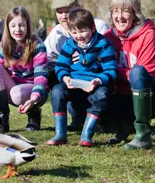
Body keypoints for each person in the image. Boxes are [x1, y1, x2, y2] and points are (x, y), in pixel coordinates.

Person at [104, 0, 155, 149]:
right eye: (115, 11)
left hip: (152, 98)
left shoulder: (148, 35)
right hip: (121, 96)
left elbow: (146, 72)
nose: (119, 16)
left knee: (137, 71)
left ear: (135, 13)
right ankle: (123, 126)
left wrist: (115, 70)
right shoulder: (107, 37)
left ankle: (143, 135)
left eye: (125, 11)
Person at [46, 8, 117, 146]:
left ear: (93, 28)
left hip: (94, 82)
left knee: (102, 95)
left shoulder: (103, 44)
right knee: (57, 91)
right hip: (73, 81)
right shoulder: (69, 43)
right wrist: (65, 78)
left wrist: (98, 80)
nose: (79, 36)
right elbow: (61, 66)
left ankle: (87, 134)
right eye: (74, 32)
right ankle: (60, 134)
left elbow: (111, 70)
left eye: (82, 31)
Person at [0, 6, 49, 132]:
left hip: (32, 90)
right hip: (12, 86)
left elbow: (41, 76)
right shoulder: (3, 45)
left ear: (28, 25)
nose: (18, 29)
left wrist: (34, 98)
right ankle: (2, 122)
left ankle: (34, 115)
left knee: (18, 94)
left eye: (21, 25)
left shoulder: (37, 45)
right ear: (7, 27)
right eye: (13, 26)